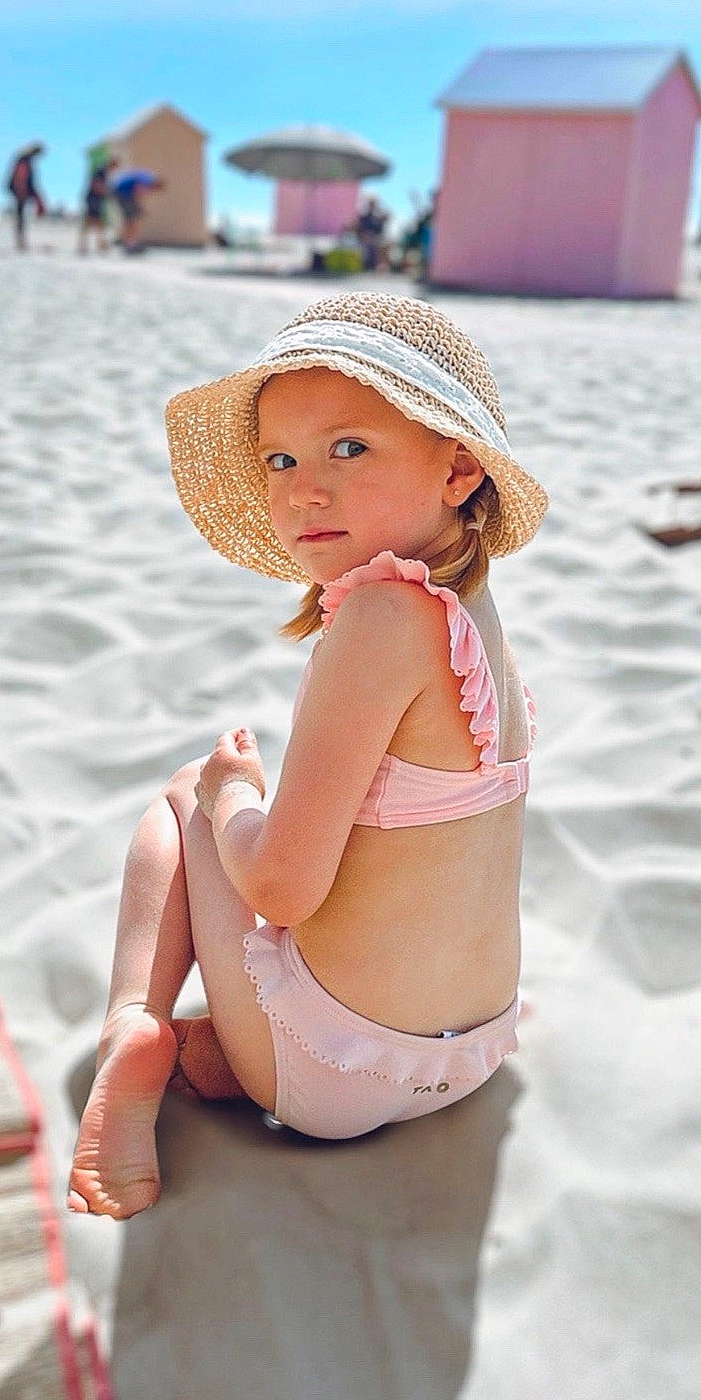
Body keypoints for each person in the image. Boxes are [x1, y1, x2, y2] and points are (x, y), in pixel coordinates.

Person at [68, 293, 547, 1218]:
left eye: (348, 449)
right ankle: (212, 1061)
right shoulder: (476, 620)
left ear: (456, 469)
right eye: (280, 460)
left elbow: (283, 890)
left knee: (184, 795)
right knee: (232, 1038)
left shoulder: (374, 620)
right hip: (470, 1051)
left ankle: (131, 1027)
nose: (301, 489)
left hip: (339, 1071)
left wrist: (232, 797)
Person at [111, 165, 162, 255]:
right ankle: (130, 245)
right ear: (156, 185)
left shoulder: (148, 177)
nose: (153, 192)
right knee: (131, 219)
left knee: (131, 219)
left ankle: (130, 243)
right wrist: (139, 207)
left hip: (121, 193)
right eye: (155, 190)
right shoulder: (147, 180)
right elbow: (137, 191)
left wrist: (138, 207)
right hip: (123, 193)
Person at [6, 142, 47, 251]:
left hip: (21, 191)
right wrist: (21, 192)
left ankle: (21, 241)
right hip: (21, 191)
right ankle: (21, 242)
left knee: (21, 217)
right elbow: (21, 177)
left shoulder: (24, 158)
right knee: (21, 218)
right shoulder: (24, 159)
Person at [78, 159, 114, 256]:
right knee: (91, 221)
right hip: (93, 199)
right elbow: (96, 185)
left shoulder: (102, 171)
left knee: (96, 222)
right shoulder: (101, 172)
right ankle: (85, 245)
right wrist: (106, 192)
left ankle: (95, 244)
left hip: (94, 198)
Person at [354, 192, 390, 272]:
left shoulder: (378, 217)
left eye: (373, 204)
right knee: (369, 243)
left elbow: (380, 230)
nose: (372, 206)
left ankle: (380, 266)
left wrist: (383, 219)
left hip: (376, 238)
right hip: (364, 239)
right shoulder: (363, 216)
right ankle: (366, 265)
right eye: (371, 204)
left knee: (384, 244)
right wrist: (365, 235)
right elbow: (359, 229)